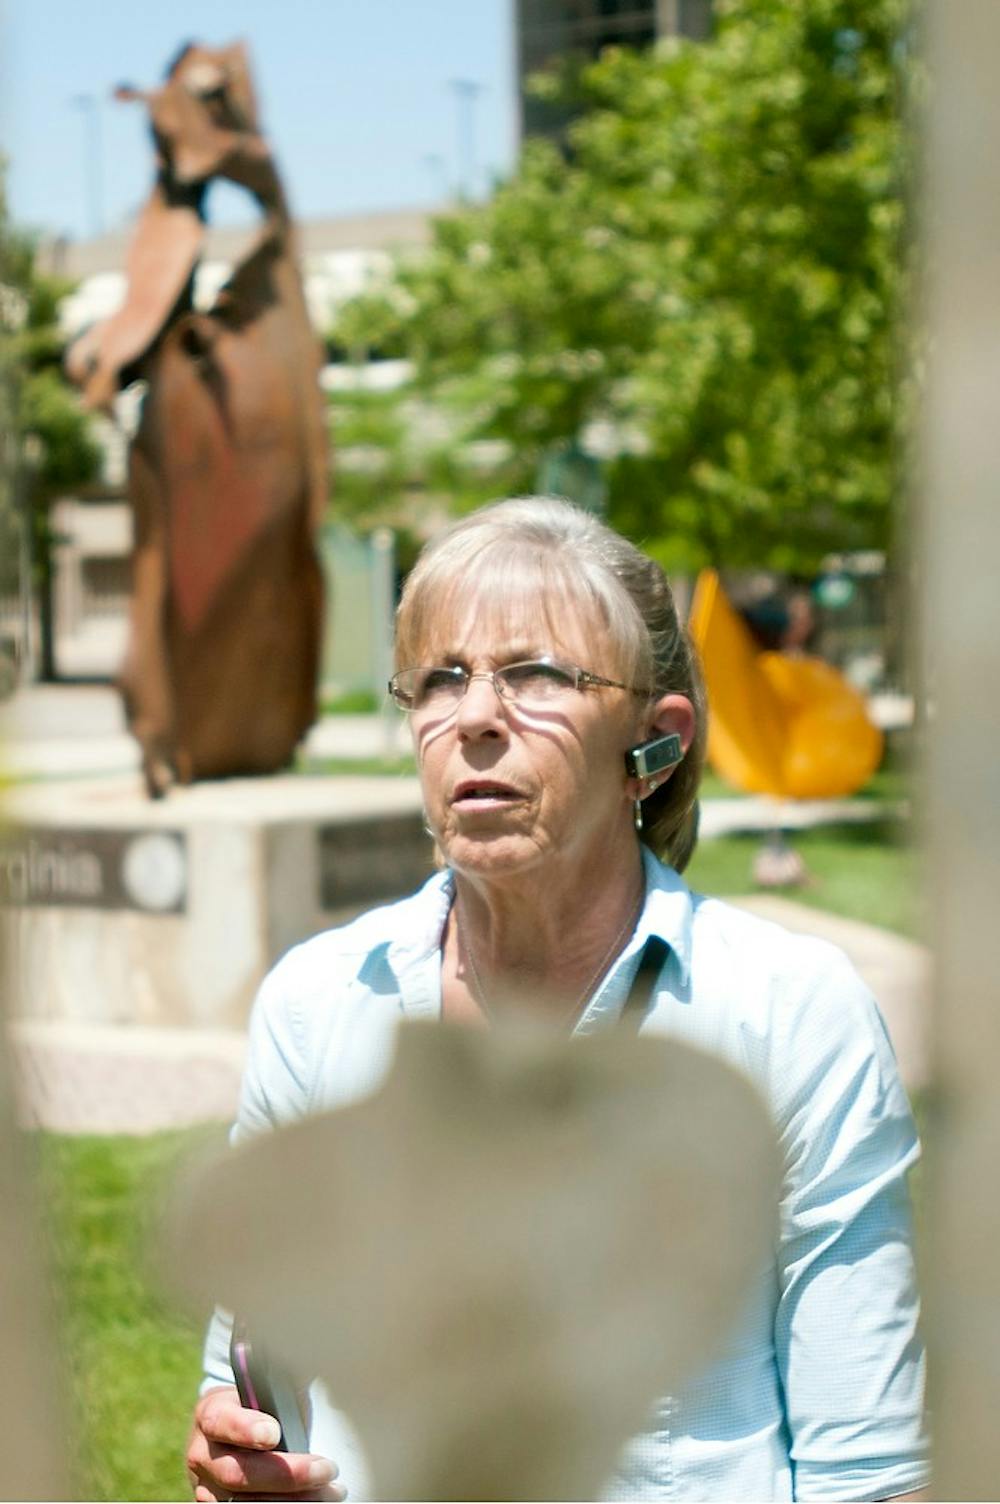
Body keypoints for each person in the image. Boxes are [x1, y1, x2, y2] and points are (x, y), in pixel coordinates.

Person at [186, 497, 929, 1502]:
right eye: (438, 678)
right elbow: (247, 1384)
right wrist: (240, 1455)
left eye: (537, 674)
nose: (474, 715)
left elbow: (868, 1472)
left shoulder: (790, 1015)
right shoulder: (317, 1002)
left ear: (653, 742)